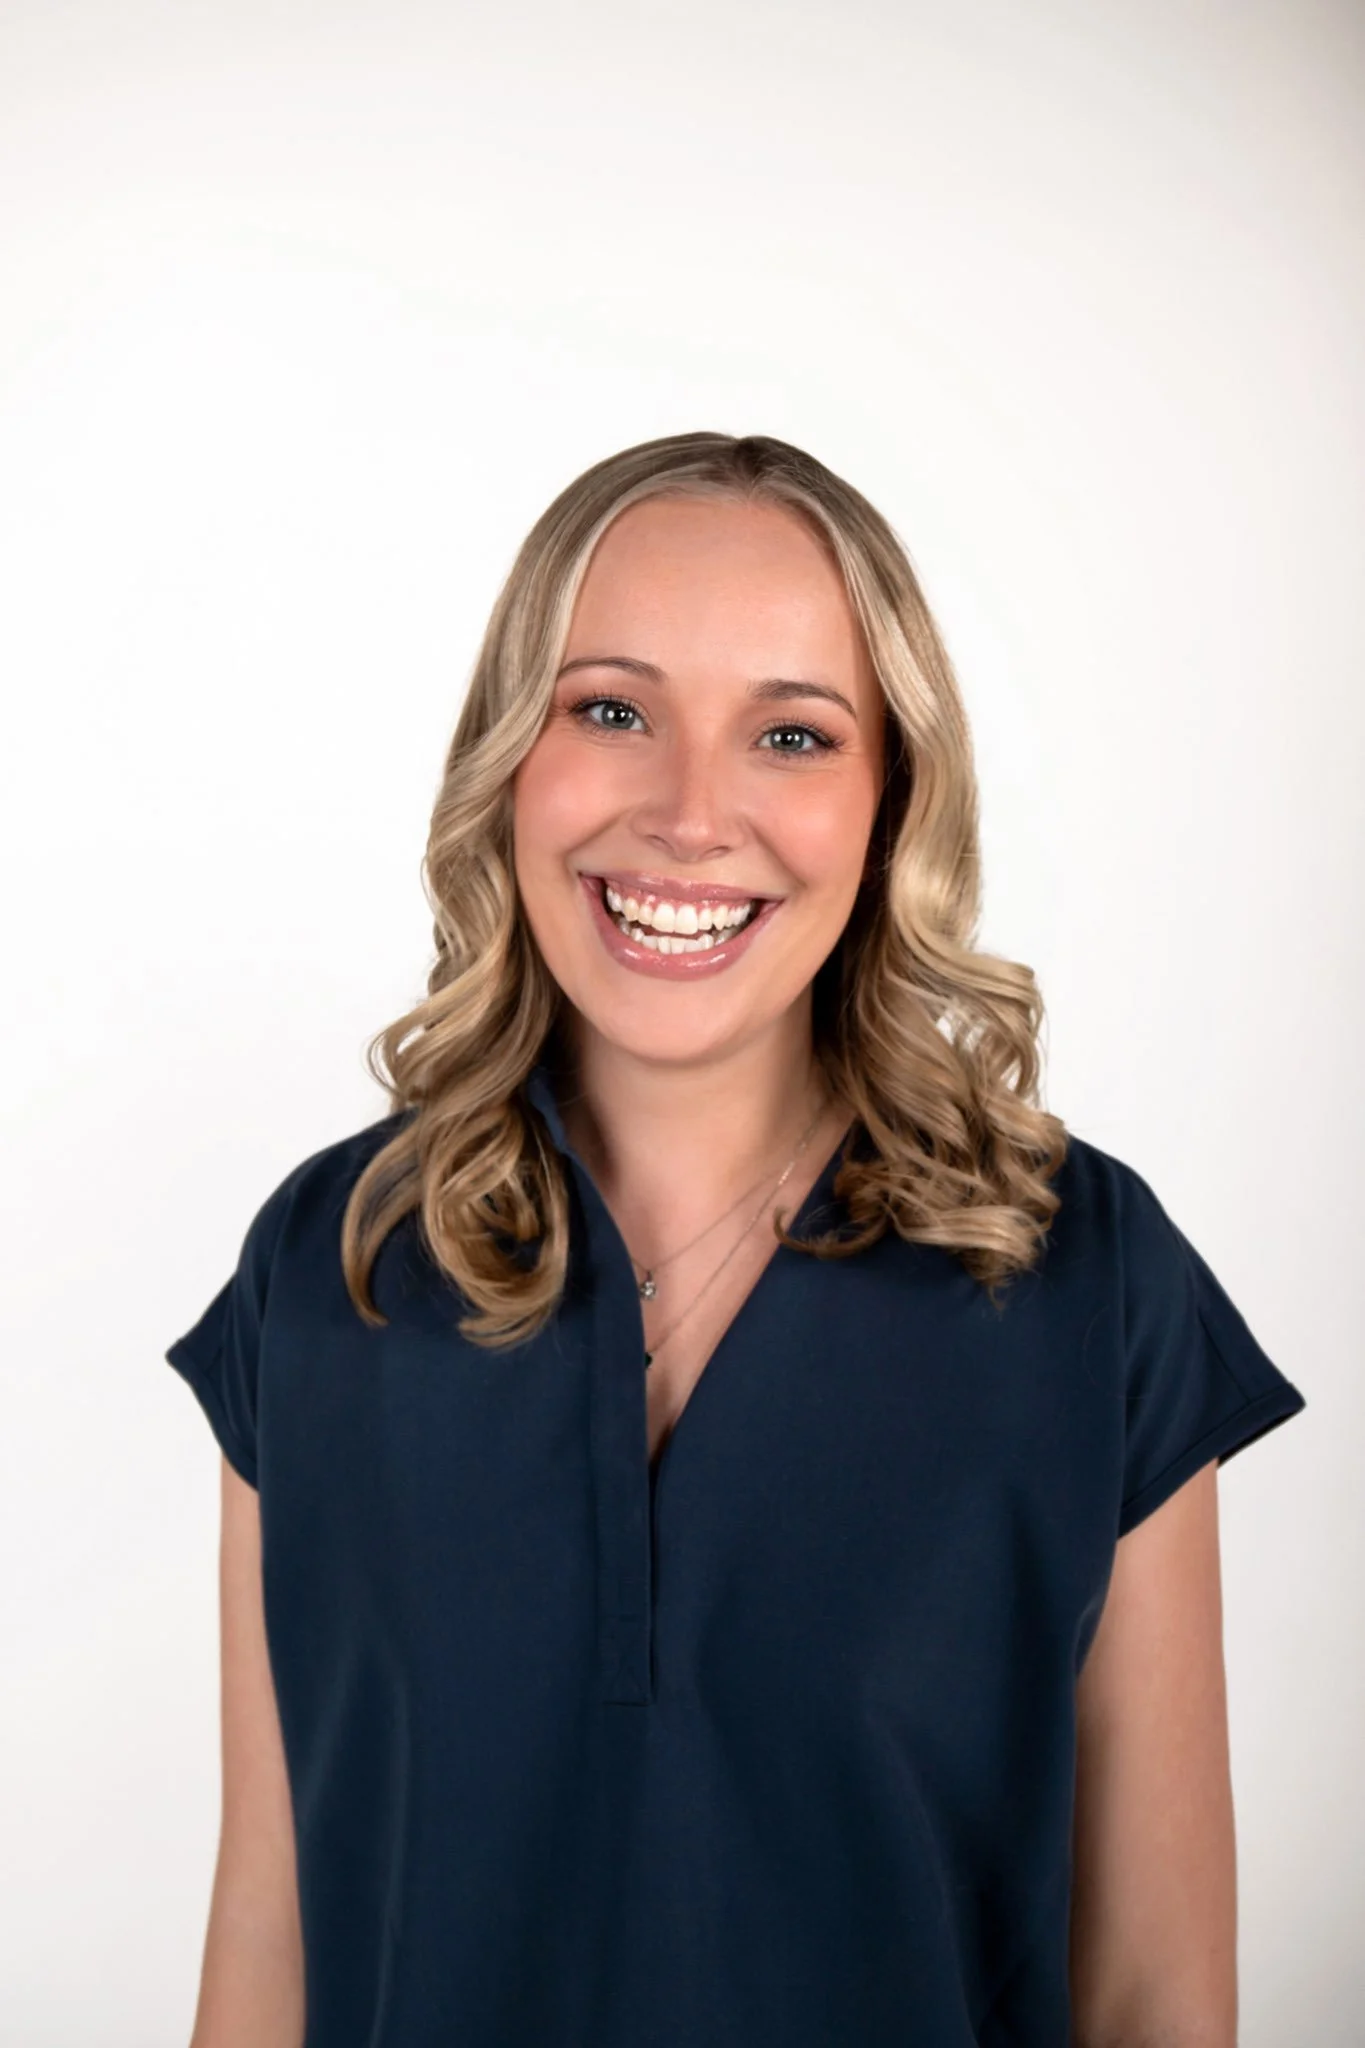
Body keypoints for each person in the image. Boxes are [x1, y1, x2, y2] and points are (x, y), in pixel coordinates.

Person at [163, 431, 1307, 2048]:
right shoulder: (326, 1271)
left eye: (791, 734)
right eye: (611, 710)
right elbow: (269, 1953)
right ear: (509, 757)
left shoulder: (1088, 1286)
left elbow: (1157, 2000)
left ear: (888, 799)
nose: (692, 815)